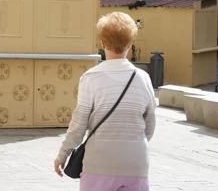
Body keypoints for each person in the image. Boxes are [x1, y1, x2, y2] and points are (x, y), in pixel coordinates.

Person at [54, 12, 155, 191]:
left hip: (99, 163)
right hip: (136, 164)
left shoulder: (90, 78)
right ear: (130, 45)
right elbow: (149, 126)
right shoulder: (143, 78)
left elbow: (79, 125)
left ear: (102, 43)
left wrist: (63, 155)